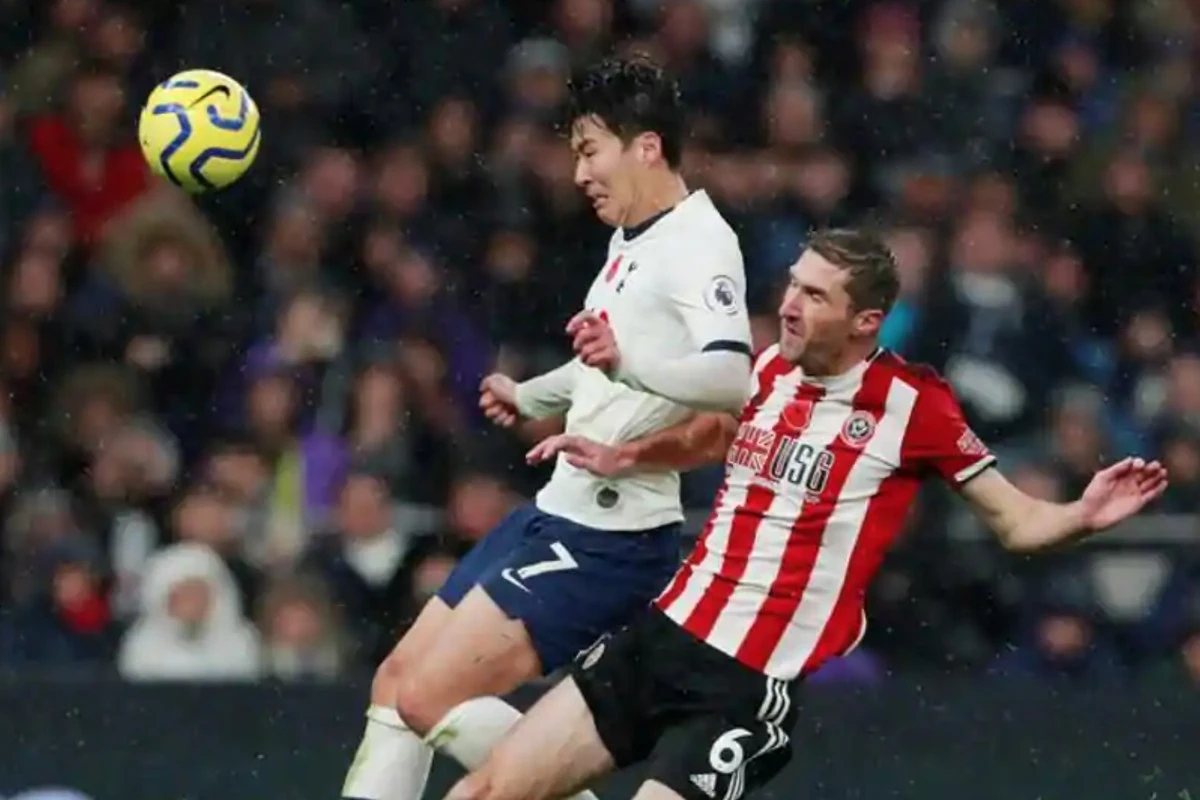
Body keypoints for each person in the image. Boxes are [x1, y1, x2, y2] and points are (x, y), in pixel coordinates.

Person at [441, 228, 1169, 800]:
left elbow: (1015, 522)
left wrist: (1082, 512)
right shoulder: (767, 369)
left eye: (815, 296)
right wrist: (627, 456)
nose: (789, 303)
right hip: (661, 639)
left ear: (866, 320)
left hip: (745, 685)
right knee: (481, 792)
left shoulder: (913, 405)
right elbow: (722, 434)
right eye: (793, 284)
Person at [340, 54, 754, 800]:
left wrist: (625, 363)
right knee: (396, 684)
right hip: (554, 514)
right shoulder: (632, 237)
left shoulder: (701, 244)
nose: (578, 175)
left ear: (647, 146)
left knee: (430, 698)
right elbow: (612, 363)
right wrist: (535, 393)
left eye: (590, 151)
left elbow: (732, 376)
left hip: (610, 536)